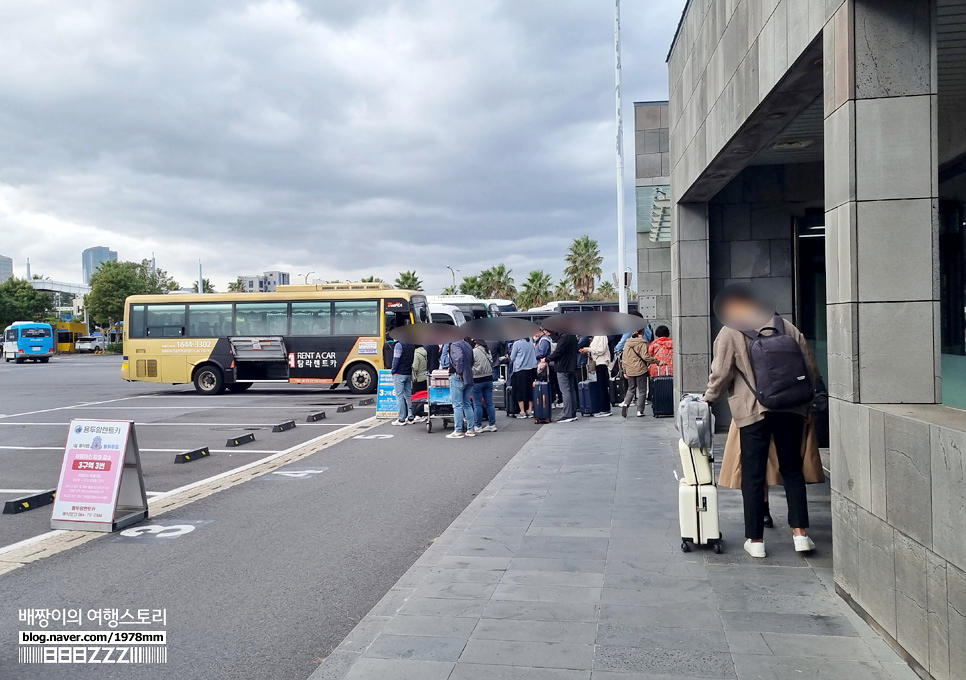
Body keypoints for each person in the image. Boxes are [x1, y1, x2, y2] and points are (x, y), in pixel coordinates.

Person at [703, 288, 818, 559]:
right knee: (792, 469)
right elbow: (810, 369)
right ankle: (800, 533)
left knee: (753, 475)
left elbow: (720, 374)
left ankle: (756, 540)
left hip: (753, 412)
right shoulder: (787, 326)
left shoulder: (731, 331)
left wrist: (707, 399)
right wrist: (808, 404)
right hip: (791, 409)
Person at [619, 330, 656, 418]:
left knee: (631, 388)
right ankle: (640, 411)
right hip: (640, 369)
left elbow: (624, 358)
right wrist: (656, 361)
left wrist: (624, 370)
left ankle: (625, 404)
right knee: (642, 391)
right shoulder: (642, 343)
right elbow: (645, 357)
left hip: (630, 370)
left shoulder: (627, 343)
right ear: (643, 333)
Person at [446, 337, 476, 439]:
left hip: (457, 376)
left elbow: (459, 358)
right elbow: (472, 360)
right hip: (468, 376)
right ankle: (471, 429)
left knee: (457, 405)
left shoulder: (454, 345)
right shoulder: (467, 345)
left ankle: (458, 430)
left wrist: (459, 371)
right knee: (467, 404)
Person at [548, 331, 578, 423]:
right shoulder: (572, 335)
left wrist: (547, 358)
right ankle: (573, 413)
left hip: (563, 366)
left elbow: (558, 352)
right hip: (571, 365)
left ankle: (568, 414)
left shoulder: (564, 336)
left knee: (565, 390)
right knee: (571, 390)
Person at [581, 335, 612, 417]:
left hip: (601, 362)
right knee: (600, 385)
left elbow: (601, 350)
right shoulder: (597, 336)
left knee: (602, 386)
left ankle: (605, 409)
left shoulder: (602, 335)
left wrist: (588, 349)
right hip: (598, 362)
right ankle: (603, 408)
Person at [471, 340, 497, 433]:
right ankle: (492, 424)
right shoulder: (487, 351)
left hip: (477, 380)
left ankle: (478, 425)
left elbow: (471, 364)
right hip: (489, 379)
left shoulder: (474, 351)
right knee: (489, 403)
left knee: (477, 404)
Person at [509, 335, 538, 418]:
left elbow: (512, 357)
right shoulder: (530, 342)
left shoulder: (517, 344)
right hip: (531, 369)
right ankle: (529, 410)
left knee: (520, 391)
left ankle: (522, 411)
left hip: (520, 370)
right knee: (530, 390)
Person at [390, 341, 416, 426]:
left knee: (399, 396)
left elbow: (396, 359)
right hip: (408, 373)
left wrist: (393, 370)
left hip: (399, 373)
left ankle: (401, 418)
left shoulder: (399, 345)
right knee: (408, 395)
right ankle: (410, 416)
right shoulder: (412, 345)